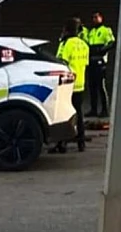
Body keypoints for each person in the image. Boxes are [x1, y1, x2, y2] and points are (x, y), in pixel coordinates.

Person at [50, 19, 89, 153]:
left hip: (68, 84)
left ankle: (62, 144)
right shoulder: (84, 44)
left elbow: (61, 62)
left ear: (66, 30)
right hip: (81, 83)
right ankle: (81, 142)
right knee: (79, 113)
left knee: (64, 114)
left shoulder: (66, 44)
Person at [83, 12, 115, 118]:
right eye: (93, 17)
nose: (95, 19)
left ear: (101, 18)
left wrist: (102, 50)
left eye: (97, 17)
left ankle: (105, 110)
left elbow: (111, 42)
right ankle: (93, 109)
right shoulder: (91, 32)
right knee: (92, 86)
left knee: (101, 86)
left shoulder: (106, 30)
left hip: (100, 61)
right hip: (91, 61)